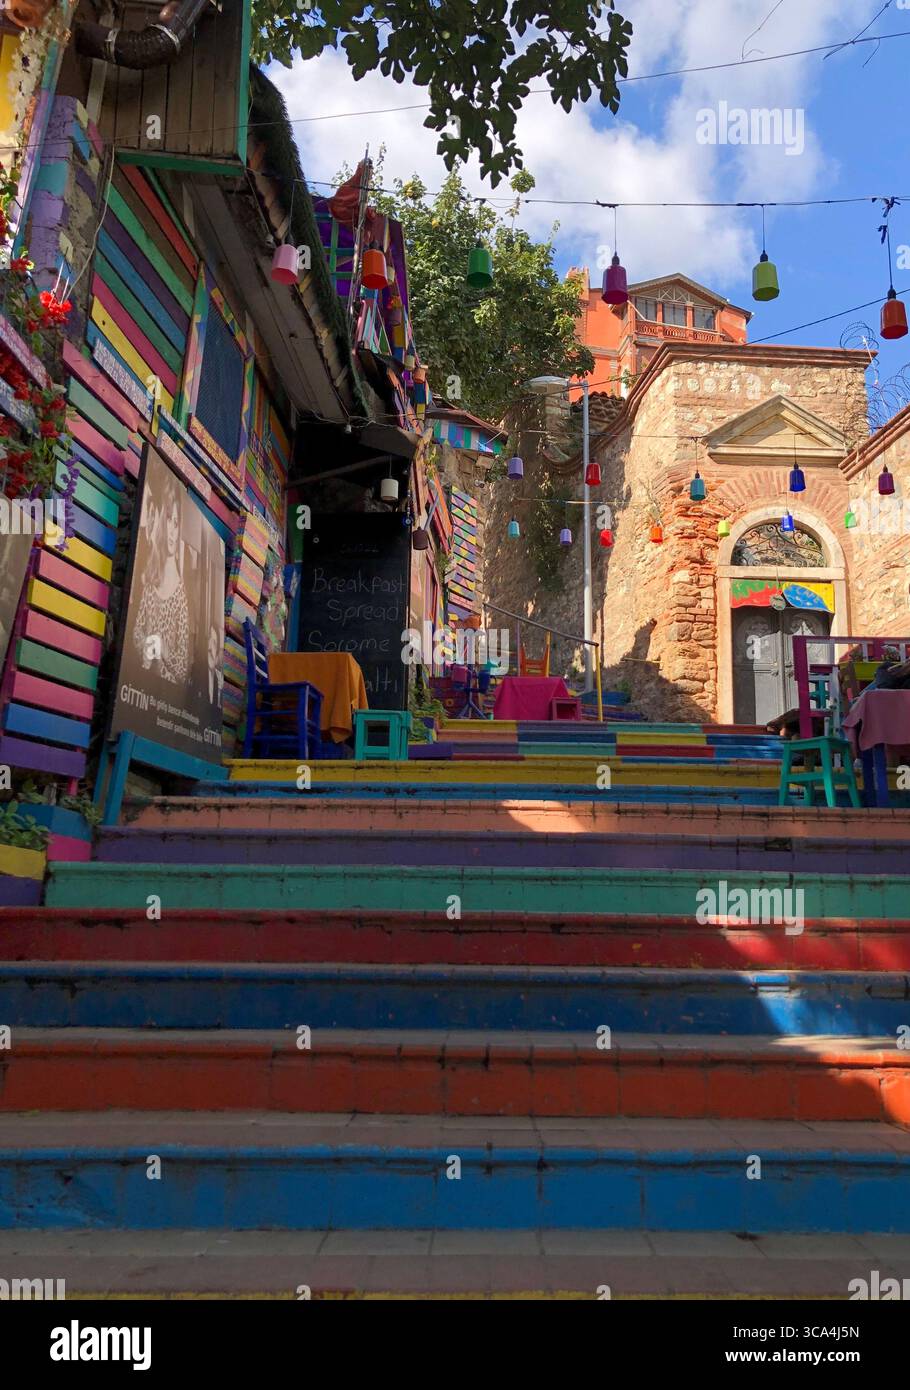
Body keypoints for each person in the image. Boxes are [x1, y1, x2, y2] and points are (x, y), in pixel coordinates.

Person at [133, 467, 190, 686]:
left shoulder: (180, 596)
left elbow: (183, 670)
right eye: (168, 520)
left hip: (166, 697)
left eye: (176, 523)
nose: (173, 532)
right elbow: (137, 630)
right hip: (140, 684)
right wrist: (145, 645)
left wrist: (164, 650)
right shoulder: (150, 582)